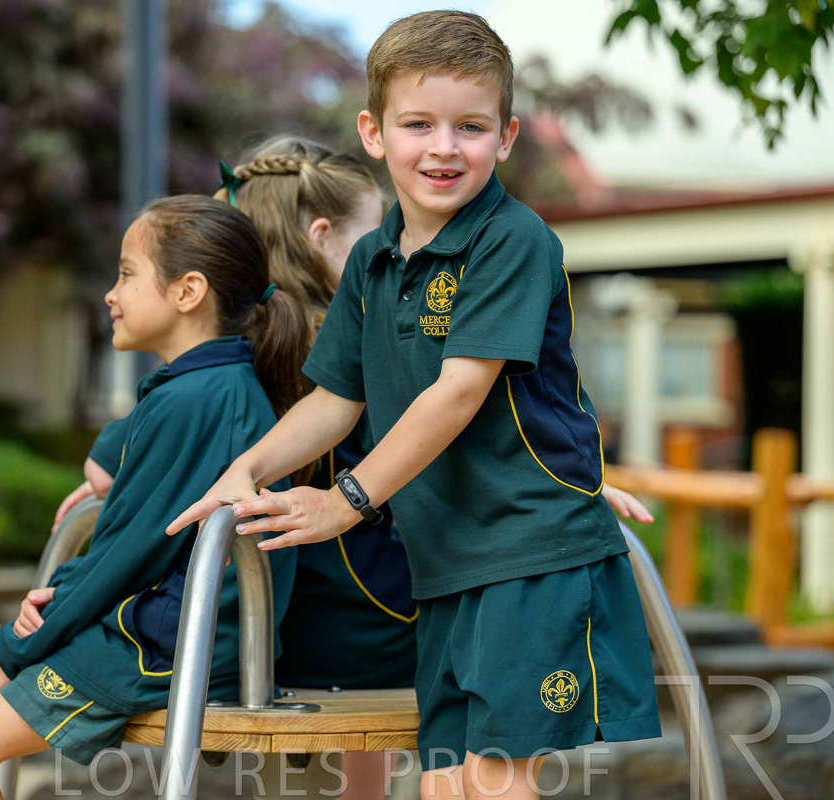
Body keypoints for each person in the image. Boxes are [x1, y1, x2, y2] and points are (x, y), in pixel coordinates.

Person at [169, 12, 663, 800]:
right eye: (419, 124)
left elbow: (459, 392)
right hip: (444, 565)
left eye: (471, 127)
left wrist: (347, 500)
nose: (444, 147)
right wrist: (247, 469)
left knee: (494, 782)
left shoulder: (511, 241)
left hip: (530, 553)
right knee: (442, 786)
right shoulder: (373, 260)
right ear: (374, 132)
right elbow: (335, 400)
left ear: (505, 137)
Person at [0, 195, 311, 800]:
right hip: (162, 629)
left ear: (188, 291)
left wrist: (15, 650)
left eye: (126, 273)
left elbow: (122, 557)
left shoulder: (197, 399)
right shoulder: (202, 388)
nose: (110, 295)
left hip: (169, 645)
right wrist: (55, 603)